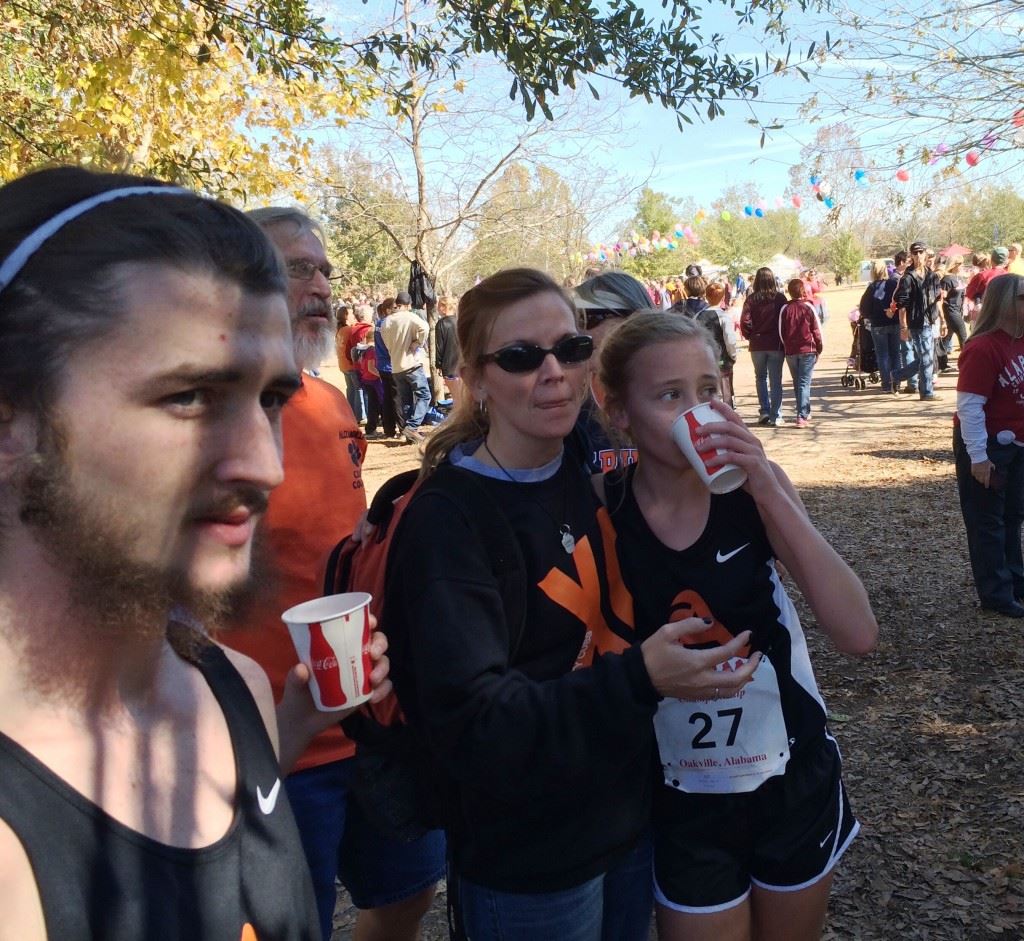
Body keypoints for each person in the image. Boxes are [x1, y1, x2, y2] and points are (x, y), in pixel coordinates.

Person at [0, 167, 391, 939]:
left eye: (270, 400)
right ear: (12, 426)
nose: (264, 464)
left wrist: (296, 722)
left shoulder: (231, 685)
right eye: (188, 396)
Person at [384, 268, 760, 941]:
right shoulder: (449, 522)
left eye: (571, 348)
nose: (554, 371)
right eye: (523, 357)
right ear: (474, 376)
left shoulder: (584, 471)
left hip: (626, 823)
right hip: (529, 857)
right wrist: (643, 677)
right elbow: (474, 723)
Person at [595, 310, 878, 941]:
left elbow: (858, 633)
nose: (698, 409)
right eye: (670, 395)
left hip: (791, 779)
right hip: (680, 797)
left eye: (709, 390)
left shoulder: (758, 491)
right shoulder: (601, 504)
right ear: (619, 413)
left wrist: (767, 487)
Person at [222, 209, 445, 941]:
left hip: (371, 720)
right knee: (293, 924)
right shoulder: (212, 415)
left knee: (411, 890)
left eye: (324, 269)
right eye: (298, 268)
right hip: (275, 736)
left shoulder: (330, 399)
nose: (319, 284)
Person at [953, 273, 1024, 618]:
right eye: (1023, 298)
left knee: (1012, 515)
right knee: (988, 520)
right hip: (987, 444)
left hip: (1017, 444)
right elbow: (969, 406)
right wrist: (978, 457)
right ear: (1006, 303)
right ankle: (996, 593)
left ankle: (1014, 581)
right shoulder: (983, 347)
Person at [573, 270, 653, 473]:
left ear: (632, 320)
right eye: (573, 319)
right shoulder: (567, 404)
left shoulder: (674, 396)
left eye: (588, 318)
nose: (576, 331)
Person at [740, 267, 788, 426]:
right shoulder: (780, 298)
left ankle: (764, 411)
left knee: (760, 378)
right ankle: (776, 414)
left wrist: (750, 335)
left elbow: (745, 321)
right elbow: (786, 319)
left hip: (757, 343)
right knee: (776, 380)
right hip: (775, 343)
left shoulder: (751, 299)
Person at [381, 290, 431, 443]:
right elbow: (425, 327)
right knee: (424, 395)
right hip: (411, 363)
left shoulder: (386, 321)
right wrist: (418, 343)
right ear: (408, 305)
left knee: (406, 400)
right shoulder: (410, 317)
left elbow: (386, 342)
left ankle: (409, 432)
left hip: (396, 366)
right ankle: (412, 426)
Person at [894, 241, 941, 400]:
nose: (918, 256)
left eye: (921, 252)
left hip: (930, 321)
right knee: (926, 358)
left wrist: (943, 320)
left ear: (926, 254)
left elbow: (937, 299)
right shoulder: (907, 278)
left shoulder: (932, 275)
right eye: (915, 253)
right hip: (916, 323)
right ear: (911, 256)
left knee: (925, 358)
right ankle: (927, 392)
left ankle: (898, 375)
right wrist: (903, 326)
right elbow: (901, 305)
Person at [780, 279, 823, 428]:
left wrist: (786, 345)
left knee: (798, 381)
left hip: (791, 351)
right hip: (807, 349)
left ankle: (804, 410)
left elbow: (781, 331)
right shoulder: (808, 307)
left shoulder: (785, 309)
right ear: (803, 291)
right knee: (804, 382)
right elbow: (816, 329)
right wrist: (819, 347)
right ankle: (802, 414)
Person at [859, 258, 901, 393]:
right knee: (895, 353)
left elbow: (864, 308)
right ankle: (896, 382)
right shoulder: (894, 284)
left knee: (882, 355)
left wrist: (870, 315)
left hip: (877, 324)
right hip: (894, 322)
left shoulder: (871, 288)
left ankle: (886, 384)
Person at [336, 305, 367, 425]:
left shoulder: (340, 330)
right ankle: (361, 415)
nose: (353, 316)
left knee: (351, 389)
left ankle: (351, 413)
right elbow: (355, 348)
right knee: (358, 389)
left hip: (343, 364)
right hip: (351, 364)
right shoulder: (350, 330)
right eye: (350, 314)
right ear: (345, 317)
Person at [937, 254, 968, 367]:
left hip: (957, 310)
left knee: (947, 337)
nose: (962, 266)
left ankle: (941, 363)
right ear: (954, 265)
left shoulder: (957, 278)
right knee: (963, 336)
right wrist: (942, 317)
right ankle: (967, 364)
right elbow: (941, 298)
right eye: (960, 264)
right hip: (951, 311)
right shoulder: (947, 279)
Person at [435, 294, 461, 402]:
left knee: (457, 399)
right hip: (463, 366)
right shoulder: (461, 321)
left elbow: (439, 347)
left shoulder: (441, 324)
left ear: (443, 307)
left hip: (449, 366)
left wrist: (438, 364)